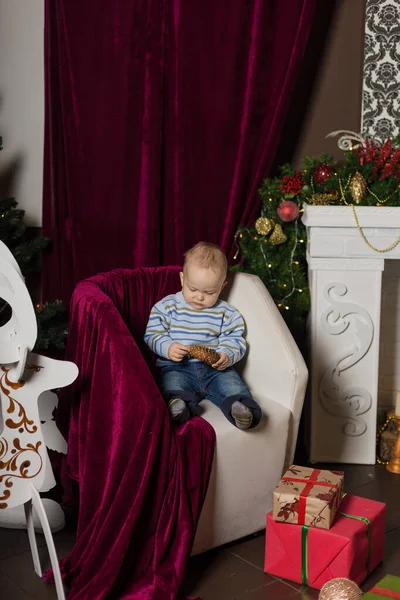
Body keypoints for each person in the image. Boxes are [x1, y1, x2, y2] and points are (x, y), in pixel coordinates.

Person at [144, 241, 261, 429]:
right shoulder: (167, 306)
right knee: (171, 384)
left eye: (209, 292)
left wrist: (226, 355)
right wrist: (168, 347)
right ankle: (178, 405)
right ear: (182, 279)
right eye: (193, 289)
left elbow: (234, 339)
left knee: (232, 384)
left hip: (215, 370)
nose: (199, 297)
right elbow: (152, 334)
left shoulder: (226, 312)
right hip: (177, 367)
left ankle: (241, 409)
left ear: (222, 287)